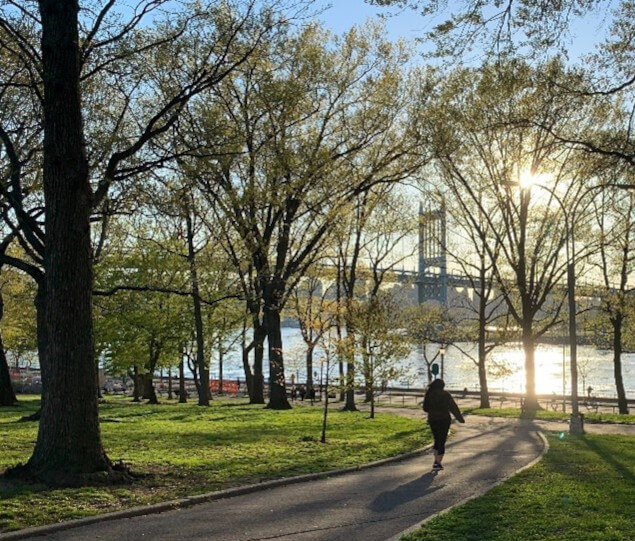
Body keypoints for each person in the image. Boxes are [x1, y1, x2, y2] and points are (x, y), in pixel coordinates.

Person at [423, 378, 465, 471]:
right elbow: (453, 407)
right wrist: (460, 418)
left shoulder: (429, 394)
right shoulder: (446, 394)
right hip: (444, 419)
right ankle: (438, 462)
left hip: (433, 419)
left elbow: (425, 408)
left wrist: (433, 410)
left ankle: (436, 461)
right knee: (442, 440)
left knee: (437, 439)